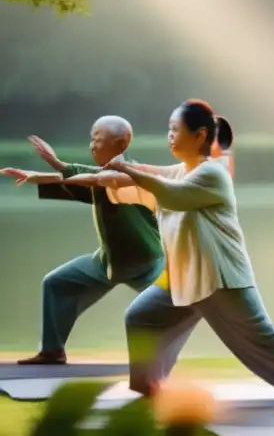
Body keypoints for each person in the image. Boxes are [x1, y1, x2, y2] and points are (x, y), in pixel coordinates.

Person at [64, 99, 274, 398]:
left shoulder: (212, 174)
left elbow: (170, 195)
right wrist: (73, 175)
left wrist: (128, 170)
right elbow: (143, 177)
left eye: (175, 130)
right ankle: (147, 385)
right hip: (184, 278)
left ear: (200, 135)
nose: (170, 135)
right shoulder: (181, 170)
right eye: (169, 130)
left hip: (220, 279)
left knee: (260, 333)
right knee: (141, 317)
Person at [0, 118, 164, 365]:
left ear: (119, 144)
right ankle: (53, 351)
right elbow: (90, 178)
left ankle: (155, 364)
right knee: (56, 283)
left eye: (97, 140)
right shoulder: (104, 174)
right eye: (92, 139)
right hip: (108, 263)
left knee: (166, 309)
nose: (92, 145)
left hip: (146, 263)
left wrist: (56, 164)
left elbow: (98, 178)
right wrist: (35, 175)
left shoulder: (134, 175)